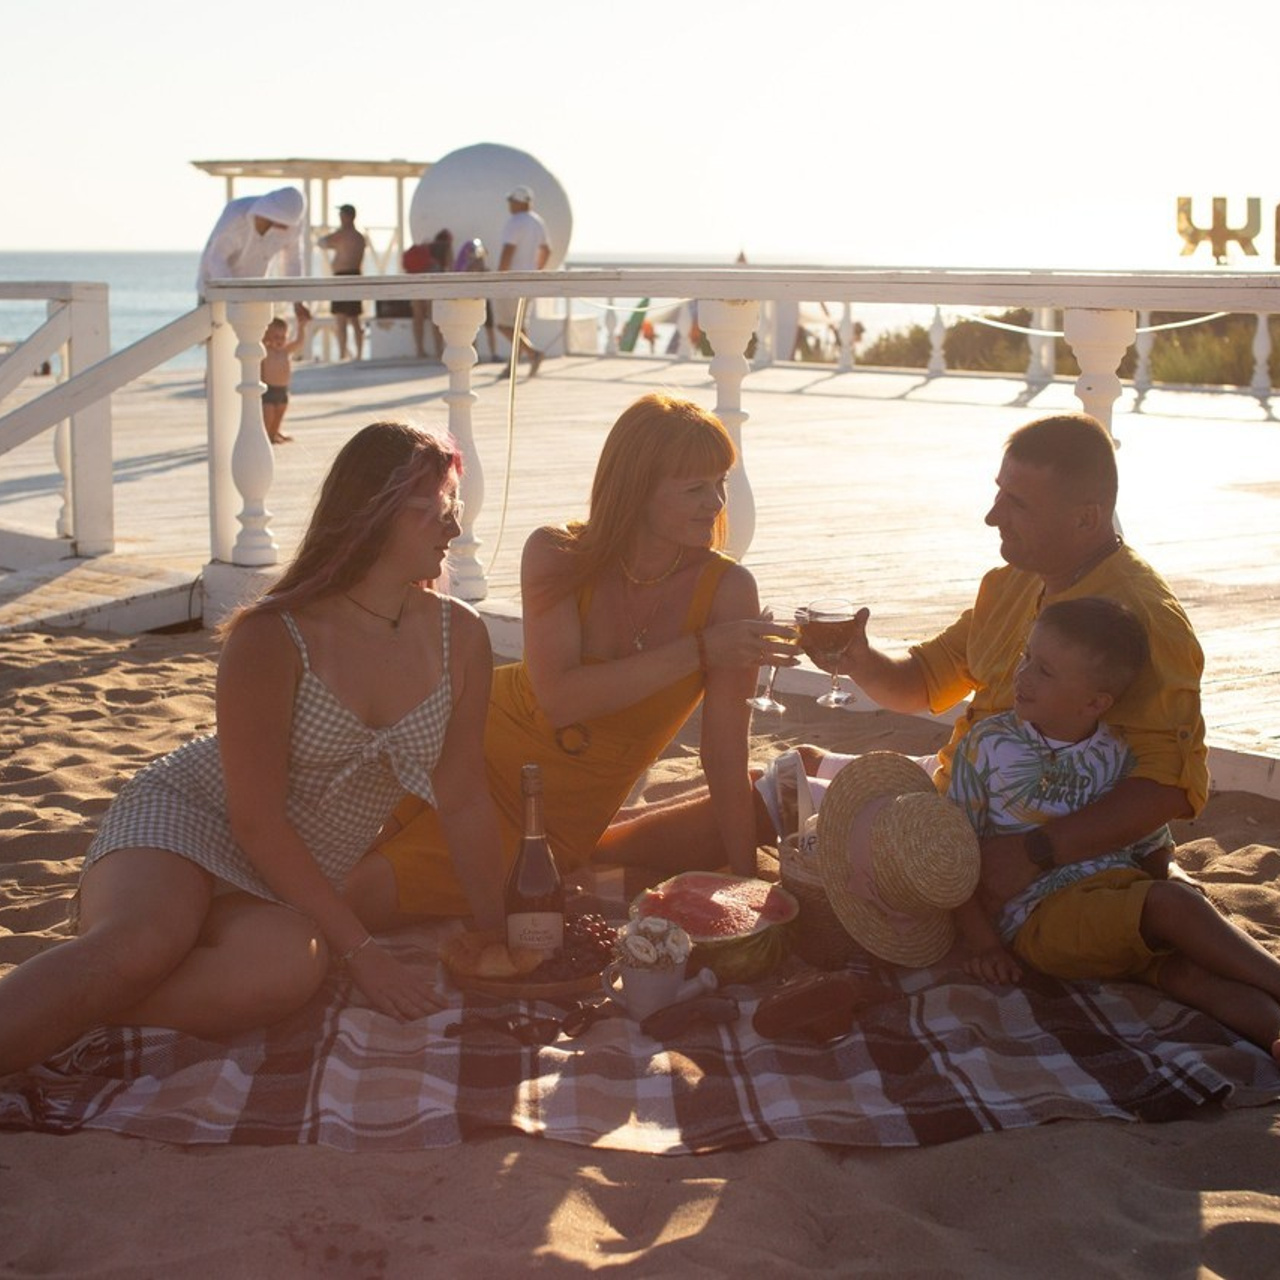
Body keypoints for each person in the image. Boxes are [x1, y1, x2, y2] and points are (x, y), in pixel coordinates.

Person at [0, 422, 505, 1077]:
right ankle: (83, 988)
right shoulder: (275, 635)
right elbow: (256, 819)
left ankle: (83, 1003)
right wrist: (363, 950)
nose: (454, 531)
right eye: (440, 512)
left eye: (455, 513)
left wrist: (499, 934)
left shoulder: (459, 637)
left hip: (284, 880)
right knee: (141, 945)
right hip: (188, 819)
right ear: (376, 514)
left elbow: (463, 796)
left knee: (283, 975)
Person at [342, 394, 796, 929]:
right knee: (318, 859)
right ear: (636, 489)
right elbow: (559, 699)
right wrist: (699, 650)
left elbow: (723, 750)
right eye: (696, 488)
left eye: (720, 482)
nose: (716, 503)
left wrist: (741, 882)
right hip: (460, 743)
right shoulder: (558, 552)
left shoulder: (727, 592)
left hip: (549, 816)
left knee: (355, 898)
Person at [795, 411, 1209, 911]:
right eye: (999, 493)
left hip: (1000, 821)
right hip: (966, 778)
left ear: (1086, 517)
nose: (992, 516)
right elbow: (923, 682)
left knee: (778, 795)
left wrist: (1035, 851)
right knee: (798, 762)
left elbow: (1170, 789)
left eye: (1016, 503)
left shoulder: (1143, 616)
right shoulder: (1015, 579)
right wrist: (859, 660)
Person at [949, 597, 1280, 1061]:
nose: (1022, 676)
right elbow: (954, 853)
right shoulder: (987, 745)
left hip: (1122, 903)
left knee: (1190, 975)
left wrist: (1183, 897)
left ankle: (1273, 1034)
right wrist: (984, 944)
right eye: (1027, 657)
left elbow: (1151, 846)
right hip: (1042, 916)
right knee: (1171, 904)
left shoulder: (1119, 753)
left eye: (1044, 670)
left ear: (1095, 702)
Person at [197, 186, 311, 329]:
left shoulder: (293, 225)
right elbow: (216, 259)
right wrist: (234, 298)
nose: (287, 229)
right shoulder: (235, 216)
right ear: (274, 215)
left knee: (248, 340)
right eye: (283, 224)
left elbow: (293, 262)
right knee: (215, 340)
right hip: (215, 288)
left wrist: (298, 302)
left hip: (253, 291)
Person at [495, 184, 550, 377]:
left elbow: (508, 250)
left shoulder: (515, 222)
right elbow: (546, 250)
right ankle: (512, 367)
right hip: (530, 281)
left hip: (512, 281)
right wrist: (537, 270)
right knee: (520, 326)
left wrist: (499, 278)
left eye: (511, 200)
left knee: (503, 325)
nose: (509, 204)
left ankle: (533, 353)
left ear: (518, 201)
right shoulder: (537, 222)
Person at [318, 204, 367, 360]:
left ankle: (342, 354)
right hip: (355, 275)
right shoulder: (359, 237)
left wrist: (332, 241)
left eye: (341, 215)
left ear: (348, 216)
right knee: (354, 317)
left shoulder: (343, 234)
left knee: (342, 318)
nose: (340, 217)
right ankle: (357, 354)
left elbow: (321, 242)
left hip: (342, 276)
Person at [260, 314, 308, 444]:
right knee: (268, 416)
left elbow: (299, 342)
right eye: (276, 337)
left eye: (283, 337)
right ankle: (266, 437)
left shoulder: (286, 351)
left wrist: (301, 326)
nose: (280, 340)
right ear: (267, 336)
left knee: (279, 416)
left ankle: (274, 433)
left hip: (283, 390)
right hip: (268, 391)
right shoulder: (265, 351)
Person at [455, 237, 498, 362]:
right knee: (472, 330)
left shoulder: (481, 266)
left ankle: (493, 354)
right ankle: (475, 356)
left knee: (489, 328)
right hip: (472, 301)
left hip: (483, 300)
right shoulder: (468, 267)